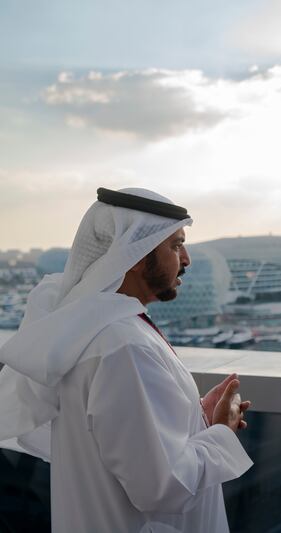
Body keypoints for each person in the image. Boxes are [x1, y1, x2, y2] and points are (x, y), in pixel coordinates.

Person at [0, 187, 253, 533]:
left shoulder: (93, 330)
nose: (187, 259)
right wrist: (222, 433)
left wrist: (198, 418)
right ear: (134, 254)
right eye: (175, 245)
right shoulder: (123, 346)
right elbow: (162, 488)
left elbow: (125, 442)